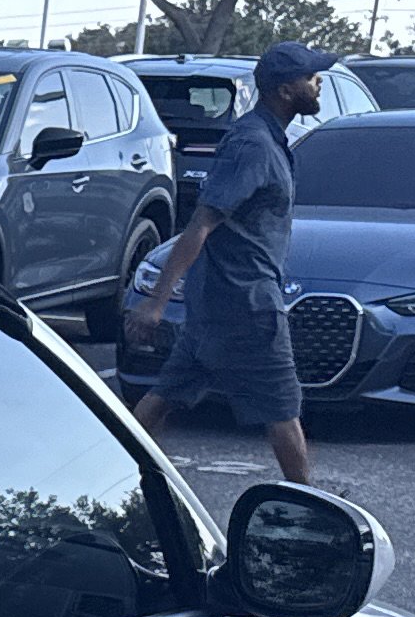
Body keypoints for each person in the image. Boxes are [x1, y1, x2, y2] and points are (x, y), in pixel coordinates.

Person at [128, 39, 334, 484]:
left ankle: (117, 473)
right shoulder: (254, 145)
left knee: (167, 393)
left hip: (219, 300)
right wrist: (156, 302)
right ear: (284, 90)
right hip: (245, 303)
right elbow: (200, 225)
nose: (320, 83)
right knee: (282, 405)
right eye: (311, 77)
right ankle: (308, 504)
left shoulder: (267, 138)